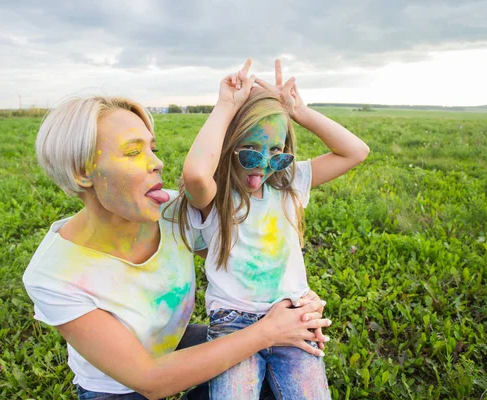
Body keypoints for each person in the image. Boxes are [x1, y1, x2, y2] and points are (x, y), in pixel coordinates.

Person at [22, 95, 331, 400]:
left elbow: (246, 261)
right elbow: (149, 380)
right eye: (133, 152)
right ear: (82, 172)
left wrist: (292, 299)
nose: (157, 163)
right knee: (262, 346)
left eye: (153, 149)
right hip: (119, 390)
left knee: (284, 360)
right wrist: (268, 331)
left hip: (175, 343)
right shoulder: (53, 274)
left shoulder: (172, 213)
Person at [178, 59, 370, 399]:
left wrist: (298, 111)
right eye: (250, 152)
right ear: (228, 146)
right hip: (233, 324)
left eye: (276, 153)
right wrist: (226, 106)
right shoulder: (217, 195)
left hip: (293, 314)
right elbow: (195, 174)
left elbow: (356, 151)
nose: (263, 166)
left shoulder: (288, 183)